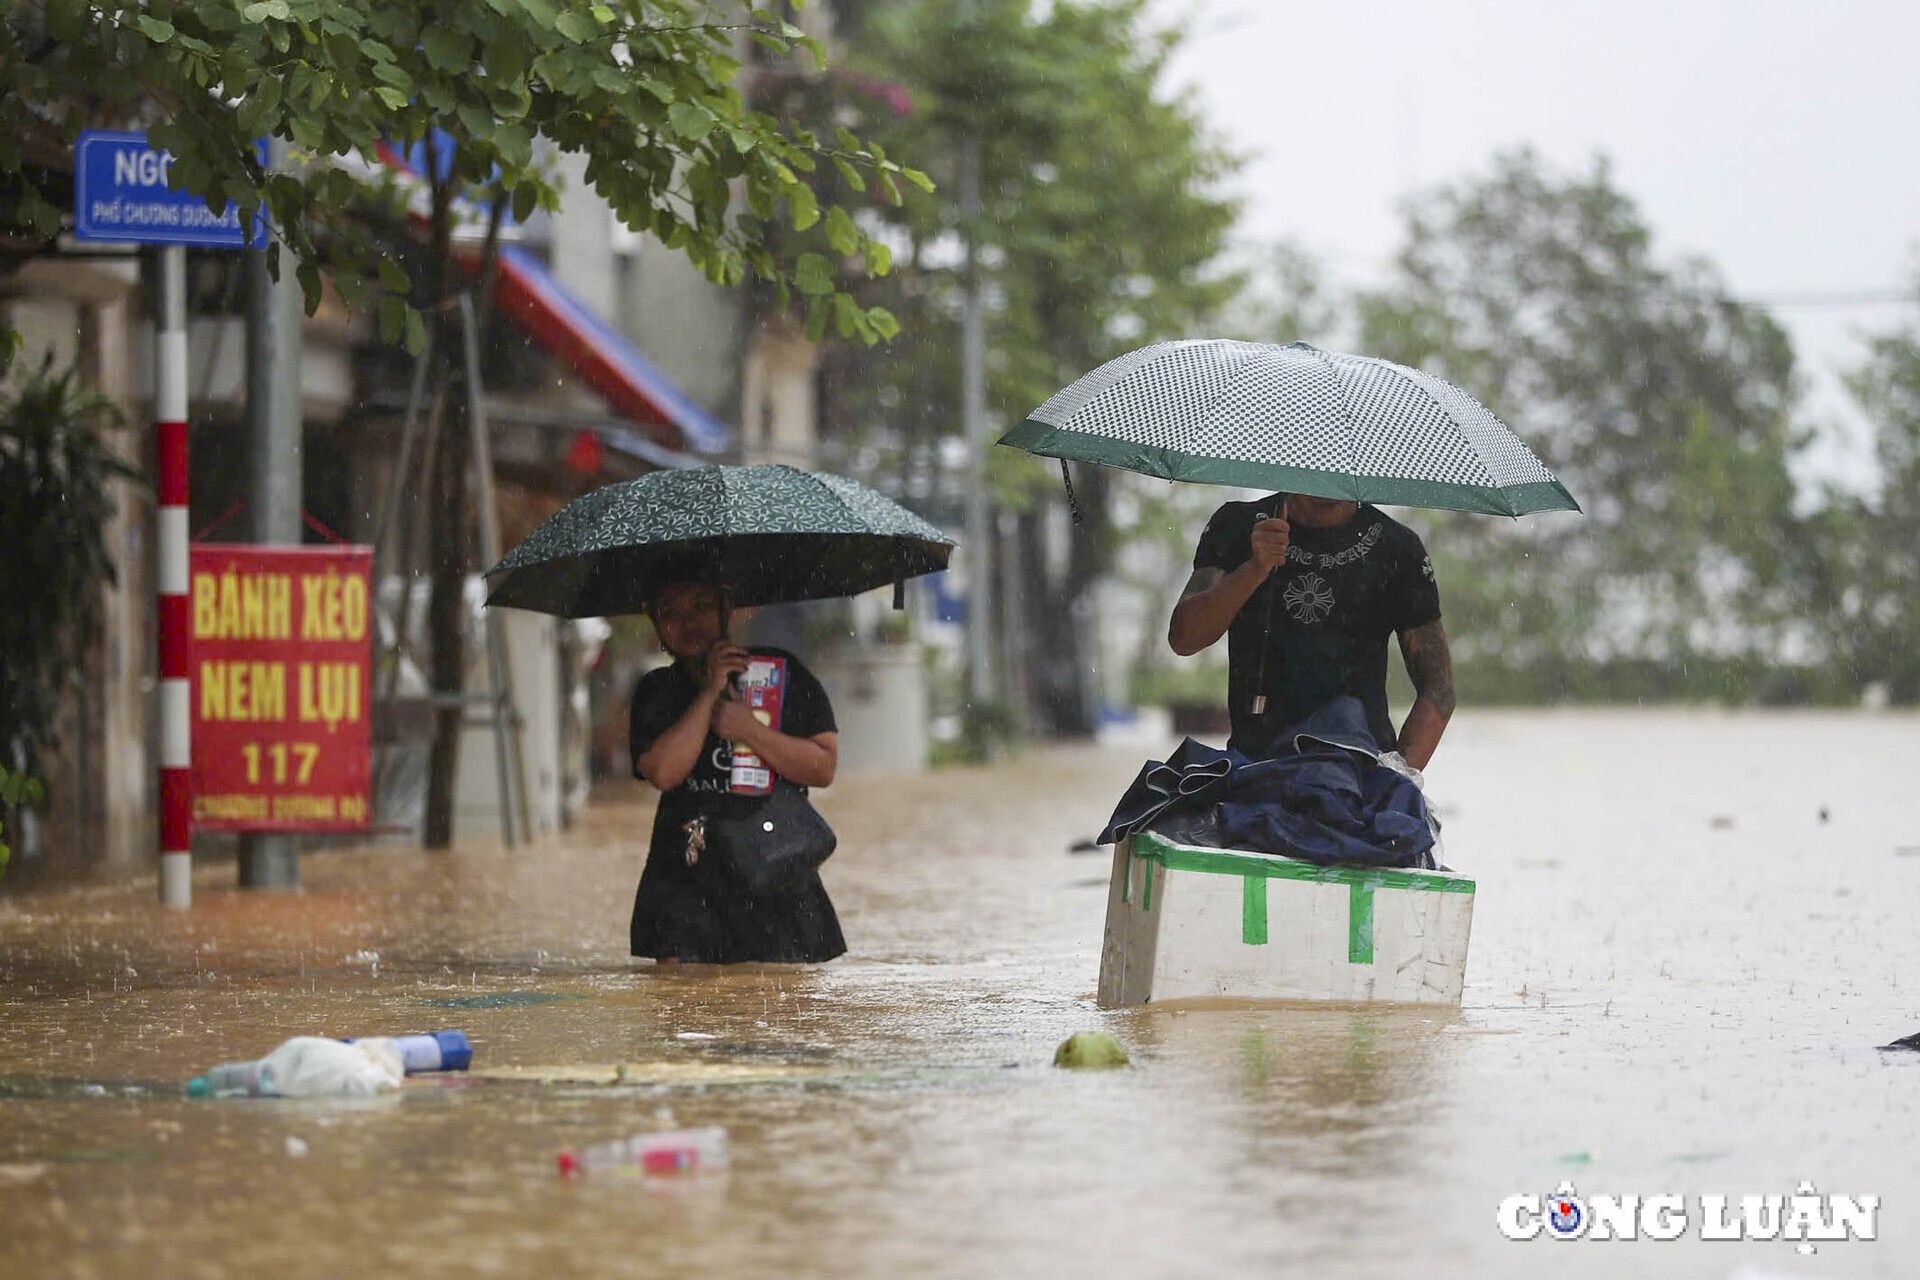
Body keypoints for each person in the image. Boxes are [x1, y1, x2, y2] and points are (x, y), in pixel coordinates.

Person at [628, 579, 845, 964]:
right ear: (656, 625)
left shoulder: (781, 673)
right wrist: (709, 692)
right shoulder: (656, 691)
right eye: (670, 613)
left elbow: (823, 766)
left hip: (775, 873)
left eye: (700, 606)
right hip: (685, 883)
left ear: (727, 609)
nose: (687, 621)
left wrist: (750, 730)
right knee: (683, 1012)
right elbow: (662, 772)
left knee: (781, 1014)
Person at [1167, 494, 1456, 769]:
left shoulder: (1397, 548)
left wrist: (1394, 781)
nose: (1328, 486)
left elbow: (1439, 690)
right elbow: (1184, 638)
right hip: (1256, 774)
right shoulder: (1239, 524)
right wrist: (1255, 568)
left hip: (1358, 774)